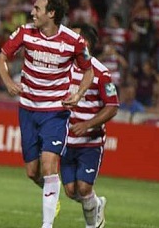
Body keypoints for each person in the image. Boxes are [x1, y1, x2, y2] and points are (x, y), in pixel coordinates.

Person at [0, 0, 94, 228]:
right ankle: (52, 193)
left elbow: (88, 71)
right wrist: (8, 82)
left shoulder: (73, 41)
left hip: (55, 111)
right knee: (32, 172)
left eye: (37, 9)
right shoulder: (24, 32)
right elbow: (1, 59)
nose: (32, 13)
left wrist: (78, 94)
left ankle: (46, 224)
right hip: (28, 108)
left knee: (50, 166)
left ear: (52, 14)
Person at [62, 23, 118, 228]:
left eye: (74, 37)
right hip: (66, 140)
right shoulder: (63, 66)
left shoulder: (101, 72)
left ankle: (93, 225)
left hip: (90, 142)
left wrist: (88, 124)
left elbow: (112, 107)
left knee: (84, 188)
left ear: (85, 43)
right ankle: (97, 203)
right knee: (70, 191)